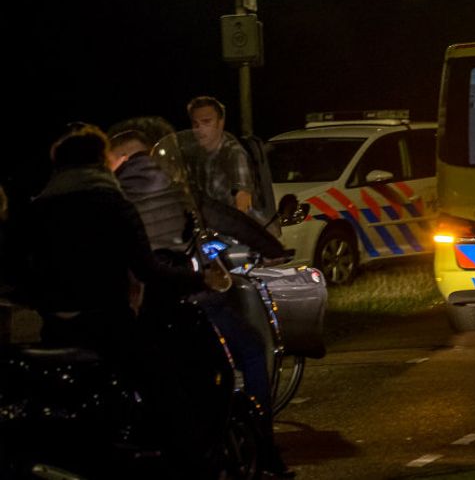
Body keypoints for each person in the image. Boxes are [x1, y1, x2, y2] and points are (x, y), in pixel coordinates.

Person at [109, 128, 294, 478]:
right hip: (187, 298)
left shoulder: (117, 197)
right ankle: (264, 447)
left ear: (117, 159)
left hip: (140, 310)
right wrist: (273, 249)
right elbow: (230, 220)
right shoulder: (179, 191)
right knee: (251, 351)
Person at [22, 124, 226, 362]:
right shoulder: (114, 205)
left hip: (56, 328)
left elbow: (16, 268)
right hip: (108, 325)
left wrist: (45, 299)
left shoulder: (37, 209)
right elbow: (147, 269)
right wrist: (201, 280)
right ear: (101, 162)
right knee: (158, 380)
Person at [186, 96, 255, 214]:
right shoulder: (195, 155)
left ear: (220, 122)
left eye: (206, 122)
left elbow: (243, 199)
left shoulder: (233, 153)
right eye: (195, 123)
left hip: (227, 228)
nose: (200, 129)